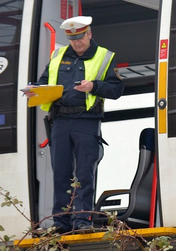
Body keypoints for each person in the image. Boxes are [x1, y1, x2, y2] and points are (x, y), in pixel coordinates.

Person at [24, 15, 124, 233]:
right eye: (72, 39)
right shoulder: (58, 55)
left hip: (86, 121)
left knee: (85, 173)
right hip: (59, 121)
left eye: (80, 37)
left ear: (89, 34)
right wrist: (35, 90)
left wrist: (95, 86)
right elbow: (44, 81)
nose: (77, 43)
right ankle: (61, 222)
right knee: (60, 172)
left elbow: (116, 90)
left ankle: (82, 220)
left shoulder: (105, 56)